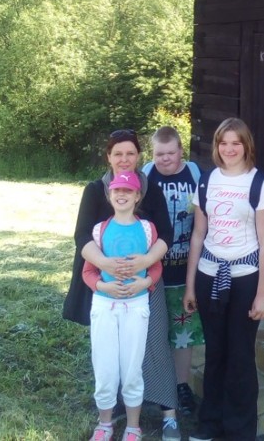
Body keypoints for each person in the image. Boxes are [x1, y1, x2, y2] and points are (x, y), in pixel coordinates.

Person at [62, 129, 182, 441]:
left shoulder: (150, 190)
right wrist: (105, 266)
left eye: (130, 153)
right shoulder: (95, 191)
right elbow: (82, 236)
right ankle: (113, 410)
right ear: (109, 157)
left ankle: (168, 413)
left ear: (139, 156)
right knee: (111, 350)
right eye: (118, 154)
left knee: (155, 342)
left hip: (145, 283)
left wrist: (145, 264)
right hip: (106, 284)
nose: (124, 159)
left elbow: (166, 235)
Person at [183, 118, 264, 441]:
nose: (229, 149)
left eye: (236, 143)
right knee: (215, 353)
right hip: (209, 276)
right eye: (223, 143)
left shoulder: (259, 184)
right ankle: (210, 424)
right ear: (216, 146)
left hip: (245, 280)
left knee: (240, 356)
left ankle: (239, 431)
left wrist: (263, 294)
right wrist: (190, 285)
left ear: (246, 145)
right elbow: (198, 235)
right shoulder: (207, 181)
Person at [82, 170, 162, 441]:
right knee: (105, 367)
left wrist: (146, 283)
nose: (122, 195)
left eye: (128, 191)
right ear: (109, 195)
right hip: (105, 306)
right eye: (117, 190)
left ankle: (133, 426)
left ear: (138, 196)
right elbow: (88, 272)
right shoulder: (100, 230)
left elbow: (156, 266)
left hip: (136, 306)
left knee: (131, 369)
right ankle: (105, 424)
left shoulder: (147, 230)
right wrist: (104, 287)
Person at [142, 127, 204, 416]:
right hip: (152, 274)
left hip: (184, 272)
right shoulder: (146, 176)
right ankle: (151, 385)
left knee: (183, 333)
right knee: (152, 334)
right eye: (159, 154)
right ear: (152, 154)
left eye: (170, 153)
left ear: (181, 151)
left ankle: (181, 385)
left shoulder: (194, 174)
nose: (165, 159)